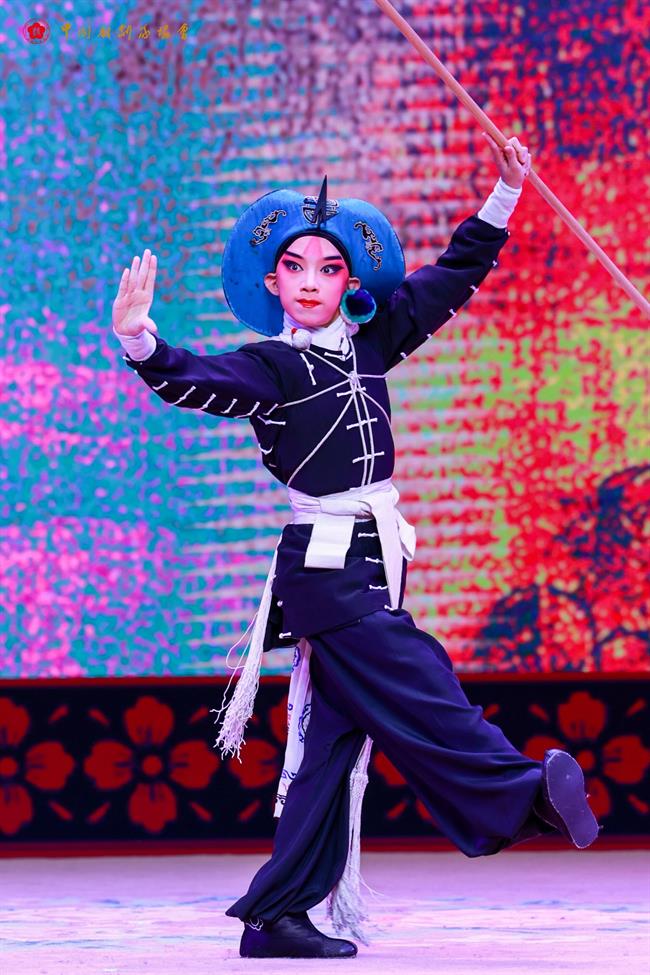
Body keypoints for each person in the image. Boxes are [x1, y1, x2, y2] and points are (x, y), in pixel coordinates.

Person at [112, 132, 600, 960]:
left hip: (373, 563)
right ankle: (522, 798)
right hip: (327, 575)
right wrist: (141, 344)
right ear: (273, 282)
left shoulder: (373, 342)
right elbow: (197, 379)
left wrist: (506, 191)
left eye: (328, 268)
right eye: (294, 268)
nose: (310, 281)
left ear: (350, 281)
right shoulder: (272, 366)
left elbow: (451, 277)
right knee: (421, 676)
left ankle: (275, 916)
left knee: (329, 756)